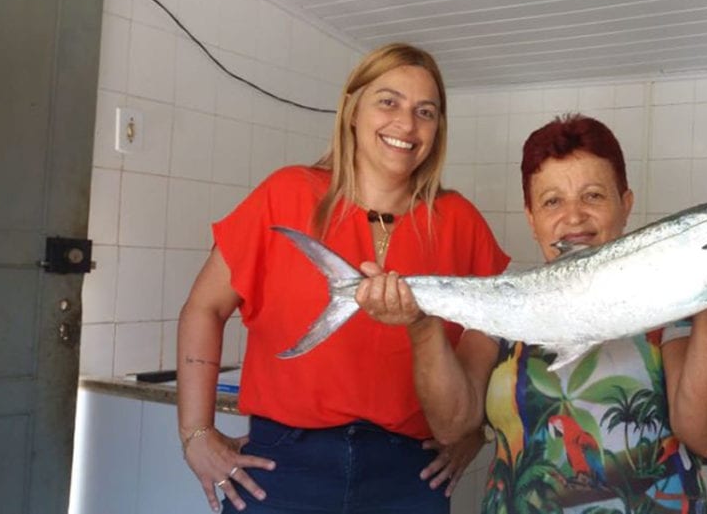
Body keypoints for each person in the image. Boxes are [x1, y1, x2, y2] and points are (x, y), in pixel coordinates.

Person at [176, 42, 510, 513]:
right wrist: (196, 433)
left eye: (426, 111)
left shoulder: (462, 223)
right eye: (388, 101)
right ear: (353, 110)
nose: (406, 124)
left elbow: (484, 359)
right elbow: (203, 308)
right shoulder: (285, 193)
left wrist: (471, 429)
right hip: (283, 468)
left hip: (407, 475)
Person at [475, 114, 707, 513]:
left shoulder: (675, 300)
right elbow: (449, 422)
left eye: (594, 196)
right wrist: (418, 321)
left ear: (625, 205)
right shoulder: (498, 303)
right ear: (531, 219)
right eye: (552, 201)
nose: (575, 217)